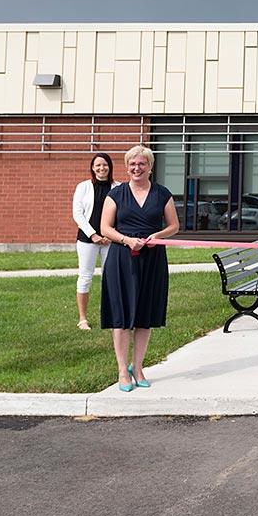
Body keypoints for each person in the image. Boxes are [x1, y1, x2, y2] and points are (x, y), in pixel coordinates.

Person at [99, 145, 179, 392]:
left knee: (145, 315)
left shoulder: (162, 193)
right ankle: (123, 370)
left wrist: (158, 234)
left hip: (152, 258)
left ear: (150, 167)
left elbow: (174, 226)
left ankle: (138, 365)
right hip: (122, 259)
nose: (137, 168)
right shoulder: (116, 194)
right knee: (122, 317)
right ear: (127, 166)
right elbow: (105, 228)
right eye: (133, 164)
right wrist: (126, 239)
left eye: (142, 164)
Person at [71, 152, 119, 330]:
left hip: (111, 240)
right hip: (87, 240)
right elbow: (78, 214)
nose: (101, 168)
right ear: (92, 168)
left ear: (110, 167)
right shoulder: (83, 187)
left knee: (111, 277)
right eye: (98, 165)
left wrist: (111, 235)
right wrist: (93, 235)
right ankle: (82, 319)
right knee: (85, 277)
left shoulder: (118, 187)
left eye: (105, 165)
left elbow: (121, 214)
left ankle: (112, 316)